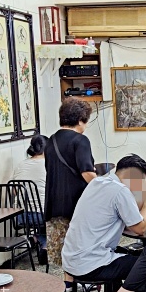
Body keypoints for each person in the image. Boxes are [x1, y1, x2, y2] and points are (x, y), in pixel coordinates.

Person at [62, 154, 146, 292]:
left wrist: (145, 194)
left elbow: (129, 208)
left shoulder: (99, 183)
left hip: (74, 259)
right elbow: (140, 228)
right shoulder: (120, 191)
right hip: (92, 263)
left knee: (129, 256)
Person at [44, 99, 97, 267]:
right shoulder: (80, 140)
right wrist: (103, 188)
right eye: (86, 121)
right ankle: (82, 279)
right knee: (80, 246)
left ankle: (66, 283)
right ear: (80, 120)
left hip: (54, 203)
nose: (86, 125)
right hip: (77, 203)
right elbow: (87, 172)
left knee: (62, 249)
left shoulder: (50, 141)